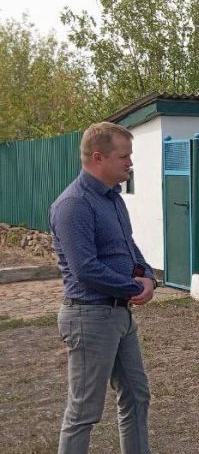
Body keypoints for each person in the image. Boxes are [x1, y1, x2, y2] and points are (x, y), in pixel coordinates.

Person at [50, 122, 157, 454]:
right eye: (124, 156)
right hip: (89, 317)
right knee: (84, 411)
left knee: (137, 396)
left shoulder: (113, 198)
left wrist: (149, 277)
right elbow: (85, 269)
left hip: (118, 316)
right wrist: (131, 286)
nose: (130, 163)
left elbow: (128, 247)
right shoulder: (74, 205)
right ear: (98, 158)